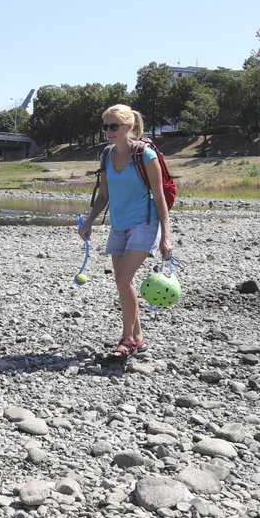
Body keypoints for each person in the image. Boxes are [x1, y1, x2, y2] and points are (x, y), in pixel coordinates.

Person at [79, 104, 173, 358]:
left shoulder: (145, 155)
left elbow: (159, 196)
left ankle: (127, 340)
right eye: (106, 126)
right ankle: (139, 339)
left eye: (113, 126)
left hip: (145, 223)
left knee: (121, 279)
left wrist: (166, 235)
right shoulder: (107, 156)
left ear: (128, 127)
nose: (108, 131)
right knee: (124, 283)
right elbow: (104, 196)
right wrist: (89, 222)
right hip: (119, 225)